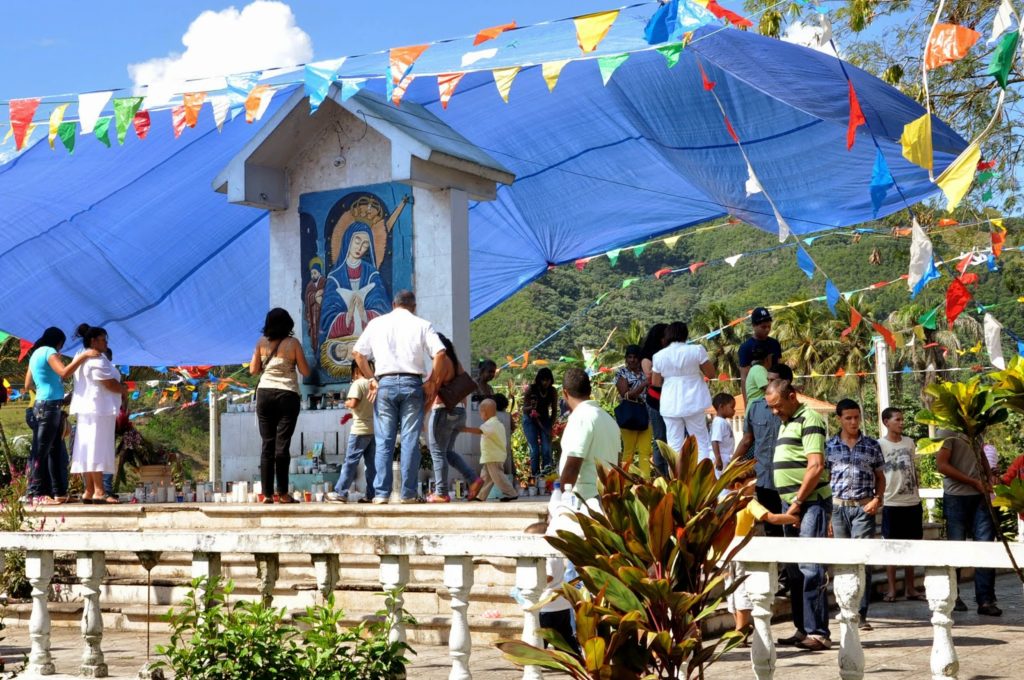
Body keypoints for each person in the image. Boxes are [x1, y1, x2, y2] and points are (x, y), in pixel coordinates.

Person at [353, 290, 446, 504]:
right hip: (412, 384)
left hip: (384, 383)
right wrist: (432, 381)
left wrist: (372, 379)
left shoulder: (377, 324)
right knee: (410, 440)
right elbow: (440, 353)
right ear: (413, 306)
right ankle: (408, 493)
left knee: (384, 440)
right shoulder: (422, 324)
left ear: (393, 304)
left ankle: (381, 494)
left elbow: (358, 354)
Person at [766, 378, 832, 651]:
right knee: (794, 570)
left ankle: (818, 632)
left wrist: (797, 501)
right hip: (790, 503)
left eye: (777, 406)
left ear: (793, 396)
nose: (774, 412)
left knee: (810, 566)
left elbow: (815, 466)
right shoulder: (787, 420)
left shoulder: (810, 418)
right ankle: (802, 629)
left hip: (810, 502)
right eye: (771, 407)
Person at [825, 399, 885, 630]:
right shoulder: (829, 446)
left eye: (856, 417)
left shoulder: (871, 445)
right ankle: (844, 608)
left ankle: (861, 613)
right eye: (848, 418)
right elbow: (825, 481)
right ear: (839, 419)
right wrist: (829, 513)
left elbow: (881, 477)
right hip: (838, 508)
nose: (853, 422)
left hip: (863, 507)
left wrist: (877, 500)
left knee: (862, 560)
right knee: (842, 561)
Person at [24, 327, 97, 504]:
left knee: (56, 452)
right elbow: (64, 372)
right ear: (58, 342)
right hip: (48, 407)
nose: (61, 350)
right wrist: (84, 356)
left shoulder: (35, 354)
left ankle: (58, 493)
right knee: (40, 452)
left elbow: (27, 384)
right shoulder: (49, 351)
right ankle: (34, 494)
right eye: (61, 345)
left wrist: (48, 388)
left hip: (44, 405)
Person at [936, 428, 1001, 616]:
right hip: (956, 496)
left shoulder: (975, 428)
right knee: (956, 547)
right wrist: (972, 482)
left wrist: (988, 477)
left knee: (985, 546)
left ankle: (986, 600)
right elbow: (942, 465)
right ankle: (953, 597)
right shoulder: (946, 431)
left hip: (980, 496)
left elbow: (981, 454)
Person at [250, 308, 312, 504]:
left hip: (265, 394)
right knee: (282, 446)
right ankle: (283, 494)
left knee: (267, 444)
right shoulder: (293, 344)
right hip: (287, 395)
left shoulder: (261, 343)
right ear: (288, 324)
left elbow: (253, 370)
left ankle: (267, 495)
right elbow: (305, 371)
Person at [727, 470, 799, 637]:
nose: (756, 487)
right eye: (752, 484)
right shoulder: (749, 503)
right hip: (740, 552)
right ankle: (741, 629)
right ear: (738, 486)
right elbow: (772, 518)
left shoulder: (723, 501)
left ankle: (740, 629)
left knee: (731, 590)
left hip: (726, 553)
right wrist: (793, 518)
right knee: (740, 590)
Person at [69, 324, 126, 504]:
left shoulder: (80, 355)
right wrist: (124, 389)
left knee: (86, 449)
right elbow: (109, 384)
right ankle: (99, 490)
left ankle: (89, 490)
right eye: (102, 339)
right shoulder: (96, 359)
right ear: (93, 341)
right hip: (99, 409)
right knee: (97, 449)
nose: (106, 343)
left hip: (89, 408)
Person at [426, 333, 484, 503]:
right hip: (459, 412)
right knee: (448, 452)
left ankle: (441, 492)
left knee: (437, 452)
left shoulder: (441, 362)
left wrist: (423, 413)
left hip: (443, 411)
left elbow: (434, 389)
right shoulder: (456, 364)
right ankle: (473, 479)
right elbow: (464, 387)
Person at [878, 407, 925, 602]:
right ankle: (891, 589)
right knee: (891, 547)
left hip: (912, 501)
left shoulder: (909, 442)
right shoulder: (880, 445)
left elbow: (914, 468)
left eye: (902, 419)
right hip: (891, 502)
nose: (901, 423)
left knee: (911, 546)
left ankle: (910, 588)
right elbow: (879, 472)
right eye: (897, 419)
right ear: (886, 422)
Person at [651, 322, 714, 463]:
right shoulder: (697, 350)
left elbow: (655, 382)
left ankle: (677, 480)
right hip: (694, 401)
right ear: (685, 334)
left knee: (674, 445)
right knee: (701, 443)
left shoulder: (659, 356)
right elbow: (710, 373)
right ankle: (703, 478)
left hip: (670, 403)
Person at [319, 223, 391, 343]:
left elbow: (383, 311)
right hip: (343, 342)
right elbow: (327, 319)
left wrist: (364, 314)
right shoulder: (335, 277)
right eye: (357, 242)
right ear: (348, 240)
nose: (360, 248)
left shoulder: (372, 274)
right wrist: (348, 316)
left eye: (365, 244)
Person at [557, 368, 620, 504]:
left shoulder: (581, 418)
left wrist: (563, 497)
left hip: (586, 500)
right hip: (608, 496)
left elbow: (573, 464)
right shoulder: (608, 419)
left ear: (565, 393)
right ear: (590, 391)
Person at [327, 360, 376, 503]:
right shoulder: (372, 385)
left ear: (355, 370)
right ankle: (372, 494)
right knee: (371, 465)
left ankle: (340, 492)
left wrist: (345, 402)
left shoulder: (357, 384)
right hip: (373, 429)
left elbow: (353, 403)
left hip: (359, 429)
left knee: (350, 462)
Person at [462, 399, 517, 502]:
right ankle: (480, 496)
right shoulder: (497, 424)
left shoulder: (490, 424)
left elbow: (479, 431)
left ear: (484, 412)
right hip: (492, 457)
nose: (480, 416)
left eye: (480, 413)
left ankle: (511, 493)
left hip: (493, 457)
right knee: (485, 478)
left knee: (498, 477)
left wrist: (465, 429)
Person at [615, 345, 652, 476]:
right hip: (629, 414)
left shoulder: (645, 373)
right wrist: (642, 385)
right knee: (628, 452)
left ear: (639, 359)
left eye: (635, 357)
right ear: (626, 359)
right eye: (629, 357)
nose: (632, 360)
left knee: (645, 452)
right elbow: (625, 394)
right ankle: (625, 484)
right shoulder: (621, 373)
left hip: (645, 415)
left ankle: (646, 483)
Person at [640, 323, 669, 475]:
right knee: (660, 439)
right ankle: (661, 476)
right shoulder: (647, 357)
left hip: (671, 400)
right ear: (659, 338)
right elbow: (651, 377)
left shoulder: (669, 353)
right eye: (665, 337)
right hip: (656, 401)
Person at [521, 368, 558, 477]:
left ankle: (547, 476)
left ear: (551, 380)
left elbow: (554, 409)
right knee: (535, 450)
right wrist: (532, 407)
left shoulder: (552, 391)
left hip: (545, 419)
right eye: (543, 380)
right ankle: (535, 475)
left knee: (546, 449)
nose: (546, 382)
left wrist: (551, 423)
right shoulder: (531, 389)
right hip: (529, 420)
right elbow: (524, 409)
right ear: (539, 380)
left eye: (548, 380)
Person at [738, 308, 782, 395]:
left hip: (775, 392)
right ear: (754, 326)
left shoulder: (774, 344)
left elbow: (780, 368)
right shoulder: (745, 348)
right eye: (763, 327)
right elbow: (744, 379)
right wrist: (747, 404)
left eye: (769, 326)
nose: (767, 330)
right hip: (757, 395)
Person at [710, 393, 736, 475]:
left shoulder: (723, 422)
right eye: (732, 407)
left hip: (724, 457)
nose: (734, 410)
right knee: (721, 482)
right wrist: (718, 459)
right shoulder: (719, 422)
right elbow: (715, 441)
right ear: (721, 407)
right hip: (721, 457)